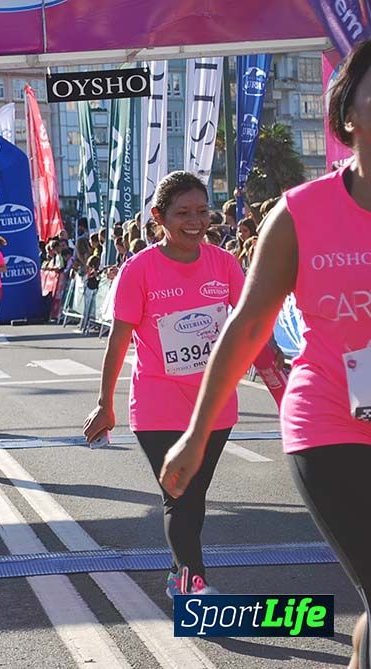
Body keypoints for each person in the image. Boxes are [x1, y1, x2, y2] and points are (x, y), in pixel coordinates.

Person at [160, 42, 371, 669]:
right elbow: (248, 325)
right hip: (333, 423)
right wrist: (196, 435)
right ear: (347, 113)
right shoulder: (303, 214)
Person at [83, 171, 246, 598]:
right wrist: (105, 403)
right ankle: (195, 585)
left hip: (215, 405)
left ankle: (179, 574)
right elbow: (118, 340)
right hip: (158, 406)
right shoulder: (140, 269)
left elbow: (251, 323)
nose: (195, 221)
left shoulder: (224, 264)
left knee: (194, 497)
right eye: (183, 213)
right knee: (181, 495)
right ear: (159, 216)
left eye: (202, 211)